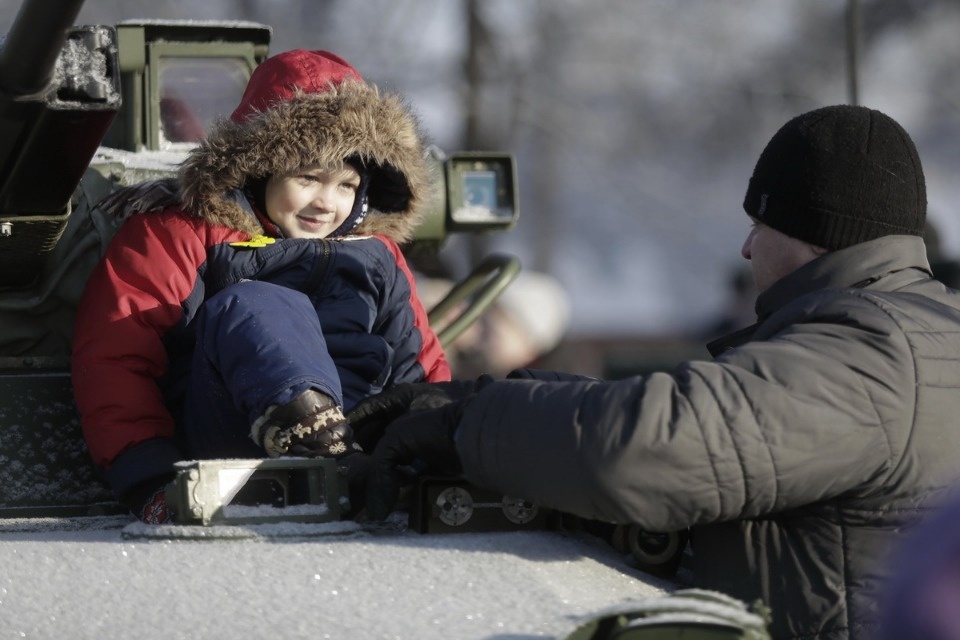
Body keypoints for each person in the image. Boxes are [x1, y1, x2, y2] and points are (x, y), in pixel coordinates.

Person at [346, 105, 960, 639]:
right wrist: (490, 397)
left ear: (814, 235)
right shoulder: (925, 333)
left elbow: (658, 444)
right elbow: (705, 419)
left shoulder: (869, 353)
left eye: (759, 225)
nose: (747, 248)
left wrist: (466, 425)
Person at [71, 49, 450, 525]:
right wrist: (147, 476)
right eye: (308, 177)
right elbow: (117, 357)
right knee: (255, 304)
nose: (326, 202)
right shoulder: (183, 234)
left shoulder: (378, 255)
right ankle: (326, 454)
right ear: (261, 167)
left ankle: (365, 467)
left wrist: (435, 443)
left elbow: (419, 366)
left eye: (346, 185)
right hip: (227, 445)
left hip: (366, 450)